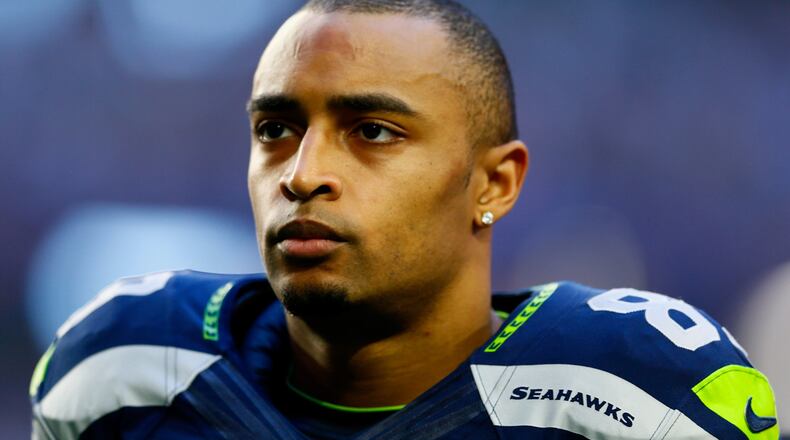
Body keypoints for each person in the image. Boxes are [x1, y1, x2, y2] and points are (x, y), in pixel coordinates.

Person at [30, 1, 779, 439]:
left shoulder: (636, 392)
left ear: (496, 182)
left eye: (374, 132)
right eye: (276, 130)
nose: (302, 173)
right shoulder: (119, 369)